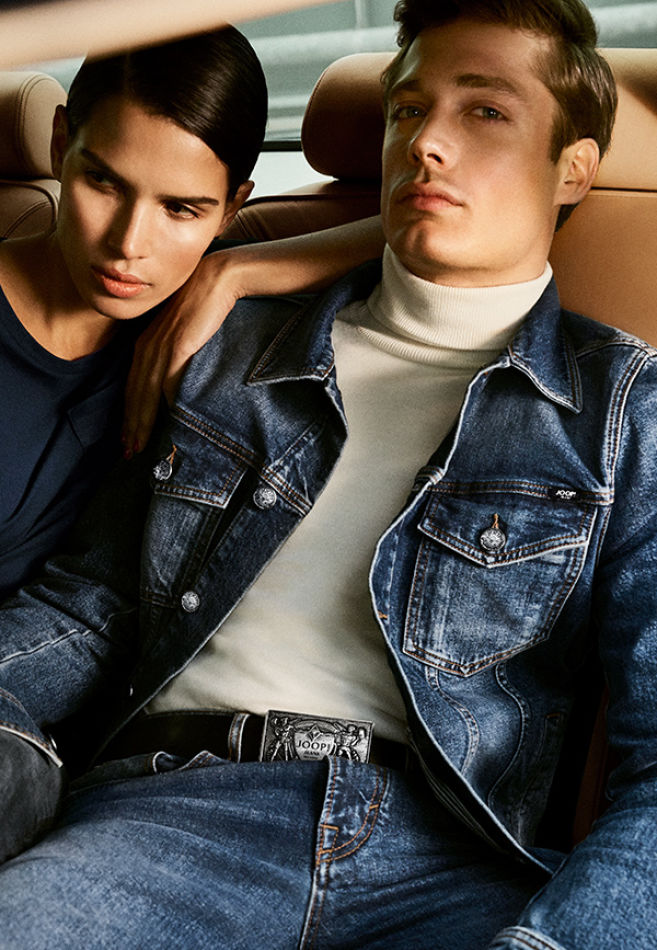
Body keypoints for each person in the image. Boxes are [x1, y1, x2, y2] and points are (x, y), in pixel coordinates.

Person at [0, 1, 652, 948]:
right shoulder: (230, 346)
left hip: (453, 860)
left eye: (484, 112)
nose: (426, 142)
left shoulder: (626, 410)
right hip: (170, 822)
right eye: (406, 111)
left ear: (576, 168)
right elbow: (90, 607)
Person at [0, 27, 383, 598]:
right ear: (60, 145)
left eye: (180, 209)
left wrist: (232, 273)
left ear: (231, 209)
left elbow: (436, 231)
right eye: (103, 182)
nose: (129, 244)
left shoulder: (215, 307)